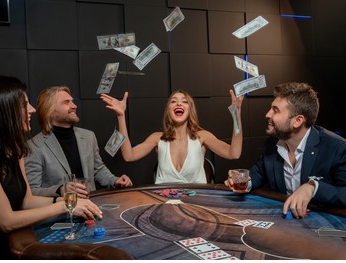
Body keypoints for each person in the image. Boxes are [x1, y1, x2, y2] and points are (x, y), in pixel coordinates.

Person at [0, 75, 101, 260]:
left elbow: (26, 201)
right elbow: (6, 221)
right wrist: (64, 206)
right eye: (24, 104)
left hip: (13, 245)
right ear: (5, 108)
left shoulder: (16, 149)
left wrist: (71, 202)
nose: (32, 109)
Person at [224, 82, 346, 218]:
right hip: (284, 224)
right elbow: (259, 173)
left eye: (275, 110)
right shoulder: (272, 144)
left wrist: (313, 187)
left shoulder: (336, 148)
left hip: (325, 226)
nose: (267, 114)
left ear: (298, 121)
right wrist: (244, 182)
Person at [100, 89, 243, 184]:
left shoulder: (202, 137)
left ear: (189, 109)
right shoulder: (157, 138)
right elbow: (128, 156)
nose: (179, 103)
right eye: (173, 101)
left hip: (198, 205)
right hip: (163, 205)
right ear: (168, 110)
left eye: (184, 101)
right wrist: (121, 116)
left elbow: (234, 153)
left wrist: (236, 113)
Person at [25, 86, 132, 199]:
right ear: (49, 110)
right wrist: (60, 190)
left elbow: (98, 170)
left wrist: (115, 180)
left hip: (92, 207)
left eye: (73, 101)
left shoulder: (88, 136)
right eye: (66, 102)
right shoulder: (33, 146)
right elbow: (32, 190)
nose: (74, 106)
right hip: (61, 213)